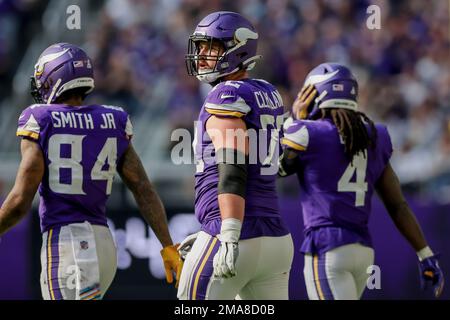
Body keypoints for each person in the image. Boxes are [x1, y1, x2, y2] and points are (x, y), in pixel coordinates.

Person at [0, 43, 182, 300]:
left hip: (68, 243)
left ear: (54, 76)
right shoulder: (112, 119)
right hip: (104, 245)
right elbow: (142, 187)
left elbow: (20, 201)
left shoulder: (40, 119)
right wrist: (167, 245)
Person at [278, 62, 444, 300]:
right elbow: (398, 205)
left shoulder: (306, 132)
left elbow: (278, 168)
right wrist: (424, 252)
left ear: (313, 94)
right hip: (362, 252)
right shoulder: (375, 136)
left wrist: (294, 119)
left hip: (326, 247)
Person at [177, 11, 294, 300]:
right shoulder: (267, 92)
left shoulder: (225, 95)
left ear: (237, 48)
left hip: (237, 232)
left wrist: (226, 232)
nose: (202, 55)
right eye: (201, 47)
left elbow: (233, 167)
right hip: (275, 240)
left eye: (212, 47)